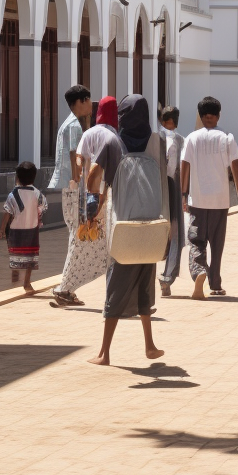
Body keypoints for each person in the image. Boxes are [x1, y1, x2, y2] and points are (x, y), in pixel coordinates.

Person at [87, 94, 167, 366]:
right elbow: (167, 180)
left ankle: (104, 353)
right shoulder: (157, 141)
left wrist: (94, 201)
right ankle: (149, 345)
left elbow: (92, 176)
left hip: (123, 228)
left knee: (116, 287)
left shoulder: (112, 141)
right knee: (145, 286)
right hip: (152, 226)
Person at [49, 95, 116, 310]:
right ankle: (66, 288)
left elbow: (78, 159)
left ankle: (67, 288)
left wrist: (79, 181)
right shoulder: (114, 136)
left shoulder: (88, 133)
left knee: (80, 242)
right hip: (102, 199)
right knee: (101, 247)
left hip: (84, 196)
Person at [181, 97, 238, 299]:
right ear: (218, 115)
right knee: (217, 243)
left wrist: (184, 194)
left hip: (197, 199)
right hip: (220, 200)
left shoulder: (191, 138)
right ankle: (215, 283)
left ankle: (199, 270)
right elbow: (236, 167)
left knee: (196, 240)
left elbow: (185, 166)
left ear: (201, 117)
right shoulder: (227, 137)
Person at [49, 84, 92, 306]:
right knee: (76, 238)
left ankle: (66, 287)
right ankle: (64, 288)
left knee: (75, 238)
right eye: (89, 101)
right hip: (73, 187)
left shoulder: (68, 124)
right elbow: (76, 159)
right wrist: (80, 184)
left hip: (68, 186)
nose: (90, 106)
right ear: (82, 101)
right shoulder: (74, 126)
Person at [0, 160, 47, 293]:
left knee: (15, 251)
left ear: (17, 177)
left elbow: (7, 212)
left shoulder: (12, 194)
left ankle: (15, 269)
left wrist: (2, 229)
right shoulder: (38, 194)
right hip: (32, 229)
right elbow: (42, 208)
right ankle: (27, 283)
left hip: (15, 230)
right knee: (31, 256)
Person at [159, 105, 185, 297]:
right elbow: (176, 166)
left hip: (155, 189)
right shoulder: (177, 139)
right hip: (172, 187)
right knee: (175, 233)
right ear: (175, 121)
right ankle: (167, 277)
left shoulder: (153, 137)